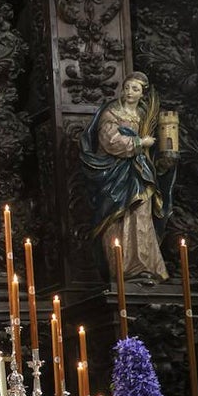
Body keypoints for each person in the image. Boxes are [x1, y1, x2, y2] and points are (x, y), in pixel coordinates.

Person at [80, 71, 175, 282]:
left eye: (135, 89)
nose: (129, 92)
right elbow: (110, 141)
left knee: (141, 214)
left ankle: (145, 266)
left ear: (143, 93)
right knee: (116, 218)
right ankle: (121, 268)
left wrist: (164, 159)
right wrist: (139, 143)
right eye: (127, 87)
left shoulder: (144, 115)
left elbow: (155, 149)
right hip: (114, 174)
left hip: (140, 174)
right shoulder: (112, 112)